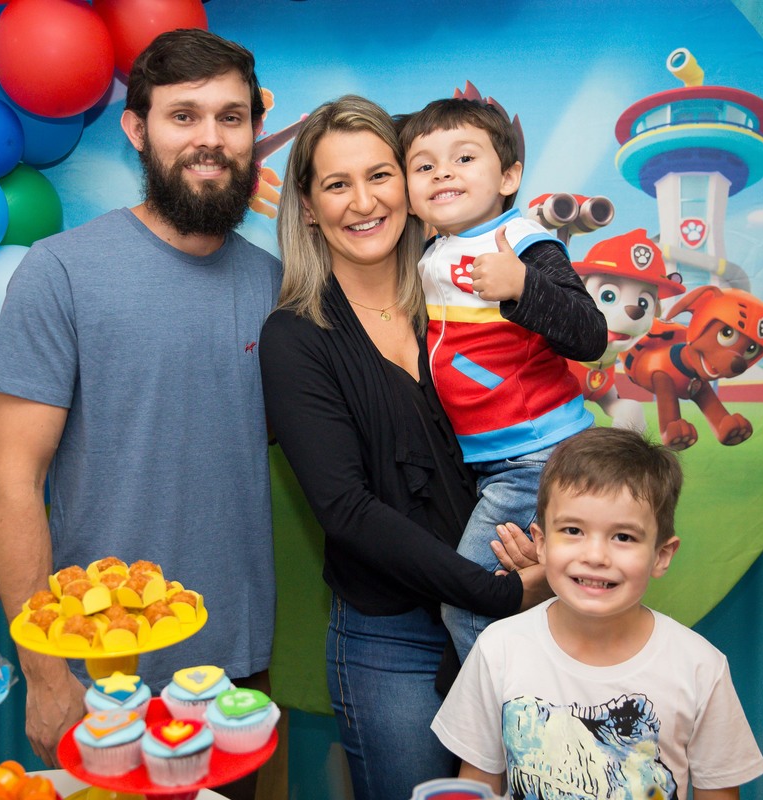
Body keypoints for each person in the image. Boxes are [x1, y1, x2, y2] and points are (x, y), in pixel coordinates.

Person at [0, 29, 280, 784]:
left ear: (254, 131)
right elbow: (13, 482)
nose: (210, 140)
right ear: (137, 129)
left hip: (238, 672)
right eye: (184, 116)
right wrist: (47, 676)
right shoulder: (61, 271)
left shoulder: (275, 284)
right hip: (101, 674)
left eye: (231, 117)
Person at [259, 95, 551, 800]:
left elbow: (544, 429)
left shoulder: (470, 294)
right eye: (337, 184)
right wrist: (493, 590)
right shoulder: (295, 337)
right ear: (308, 207)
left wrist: (546, 560)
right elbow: (345, 508)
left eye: (380, 175)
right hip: (393, 643)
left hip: (520, 618)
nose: (364, 202)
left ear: (412, 183)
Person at [432, 427, 763, 798]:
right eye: (573, 530)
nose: (595, 556)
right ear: (541, 543)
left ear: (661, 555)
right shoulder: (498, 650)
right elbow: (475, 784)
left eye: (623, 537)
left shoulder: (700, 668)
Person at [398, 97, 607, 662]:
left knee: (467, 606)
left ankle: (504, 711)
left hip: (534, 458)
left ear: (509, 177)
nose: (443, 173)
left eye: (464, 158)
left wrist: (522, 285)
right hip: (488, 461)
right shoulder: (432, 250)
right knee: (527, 605)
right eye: (424, 165)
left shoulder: (525, 242)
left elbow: (590, 335)